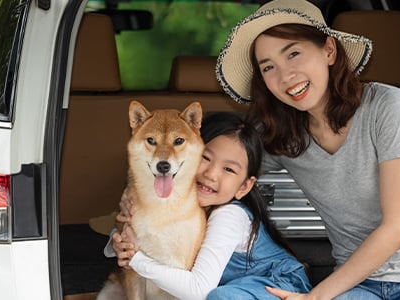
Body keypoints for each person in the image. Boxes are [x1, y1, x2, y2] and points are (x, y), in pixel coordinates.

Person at [214, 0, 400, 299]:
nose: (285, 76)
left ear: (329, 50)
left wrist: (317, 296)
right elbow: (218, 168)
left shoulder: (386, 105)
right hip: (357, 284)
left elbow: (398, 228)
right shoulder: (282, 136)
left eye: (294, 54)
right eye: (268, 67)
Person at [110, 112, 311, 299]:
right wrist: (119, 243)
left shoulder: (229, 216)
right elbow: (142, 235)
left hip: (279, 287)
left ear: (244, 187)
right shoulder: (177, 202)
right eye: (205, 158)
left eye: (229, 169)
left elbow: (198, 290)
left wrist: (136, 260)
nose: (211, 174)